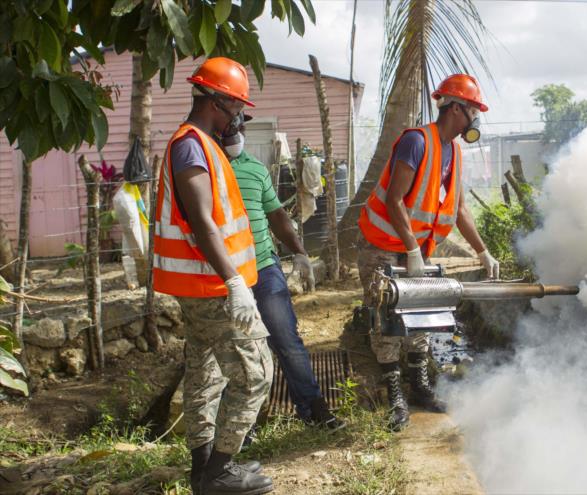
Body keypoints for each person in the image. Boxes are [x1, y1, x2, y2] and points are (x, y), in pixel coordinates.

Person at [152, 57, 273, 495]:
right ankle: (220, 471)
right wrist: (236, 283)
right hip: (214, 286)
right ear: (217, 101)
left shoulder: (200, 144)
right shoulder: (191, 146)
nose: (238, 118)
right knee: (256, 373)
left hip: (205, 285)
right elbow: (202, 222)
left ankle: (203, 473)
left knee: (206, 374)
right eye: (237, 108)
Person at [357, 74, 500, 430]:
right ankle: (395, 398)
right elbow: (394, 200)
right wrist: (410, 249)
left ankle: (419, 388)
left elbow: (460, 209)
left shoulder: (454, 151)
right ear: (455, 109)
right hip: (384, 247)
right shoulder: (416, 142)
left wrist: (483, 252)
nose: (475, 120)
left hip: (414, 249)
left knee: (421, 316)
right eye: (472, 112)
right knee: (387, 321)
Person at [222, 120, 345, 431]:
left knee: (287, 340)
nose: (236, 131)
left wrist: (300, 253)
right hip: (224, 275)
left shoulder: (256, 169)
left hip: (264, 267)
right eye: (231, 124)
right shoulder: (204, 167)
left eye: (240, 126)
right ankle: (238, 428)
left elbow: (276, 215)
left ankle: (313, 408)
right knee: (234, 350)